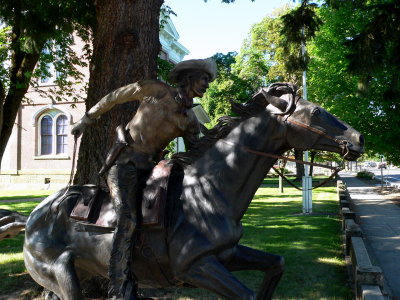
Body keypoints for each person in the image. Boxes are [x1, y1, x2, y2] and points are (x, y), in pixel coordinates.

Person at [71, 58, 217, 300]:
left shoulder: (190, 119)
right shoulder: (156, 91)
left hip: (151, 173)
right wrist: (86, 119)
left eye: (209, 81)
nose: (207, 85)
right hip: (123, 166)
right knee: (127, 220)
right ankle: (118, 288)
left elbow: (198, 153)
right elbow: (115, 96)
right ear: (190, 77)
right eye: (204, 79)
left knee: (175, 215)